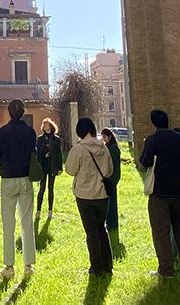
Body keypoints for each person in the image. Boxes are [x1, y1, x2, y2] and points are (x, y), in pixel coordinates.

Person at [139, 110, 180, 277]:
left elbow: (145, 162)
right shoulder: (179, 138)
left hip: (160, 192)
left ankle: (166, 270)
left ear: (153, 123)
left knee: (161, 231)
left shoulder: (153, 139)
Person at [65, 117, 114, 276]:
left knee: (91, 232)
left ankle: (96, 267)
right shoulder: (104, 147)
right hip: (102, 195)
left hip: (85, 195)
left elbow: (70, 170)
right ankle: (107, 265)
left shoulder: (78, 149)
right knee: (102, 229)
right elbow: (110, 170)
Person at [0, 99, 37, 279]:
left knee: (8, 223)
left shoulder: (0, 133)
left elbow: (0, 156)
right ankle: (28, 266)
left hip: (8, 178)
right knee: (27, 222)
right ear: (23, 112)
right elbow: (33, 152)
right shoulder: (30, 132)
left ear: (9, 113)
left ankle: (9, 267)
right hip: (26, 177)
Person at [35, 118, 63, 217]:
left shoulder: (56, 139)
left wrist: (60, 168)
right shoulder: (40, 139)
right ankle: (38, 210)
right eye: (43, 124)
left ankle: (50, 211)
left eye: (46, 124)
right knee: (41, 188)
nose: (44, 125)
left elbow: (59, 154)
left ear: (50, 126)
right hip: (43, 166)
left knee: (51, 188)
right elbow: (37, 154)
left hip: (52, 166)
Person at [100, 127, 122, 232]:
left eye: (104, 137)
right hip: (109, 178)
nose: (103, 139)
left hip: (111, 178)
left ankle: (112, 223)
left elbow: (112, 165)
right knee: (108, 202)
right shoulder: (108, 147)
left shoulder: (113, 149)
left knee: (111, 203)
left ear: (109, 137)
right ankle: (109, 222)